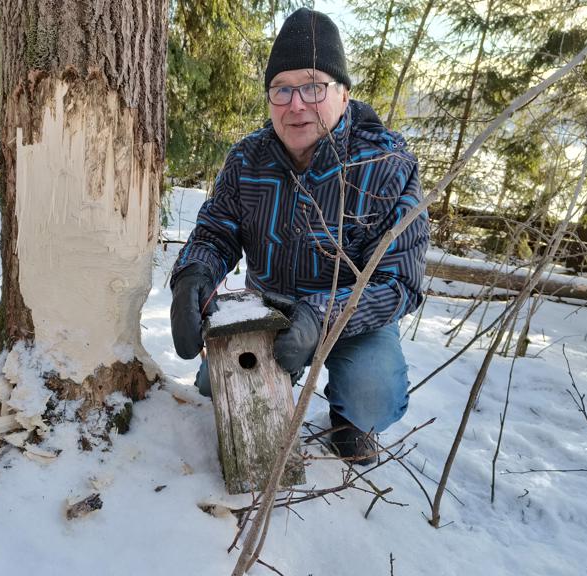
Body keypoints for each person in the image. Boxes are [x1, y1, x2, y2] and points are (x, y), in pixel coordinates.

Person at [169, 8, 429, 465]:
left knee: (374, 393)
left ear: (343, 94)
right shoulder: (248, 159)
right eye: (282, 89)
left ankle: (349, 421)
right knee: (217, 391)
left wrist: (322, 316)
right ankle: (273, 396)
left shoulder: (385, 169)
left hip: (350, 318)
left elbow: (398, 283)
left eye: (313, 86)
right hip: (267, 308)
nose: (296, 104)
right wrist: (193, 275)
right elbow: (216, 229)